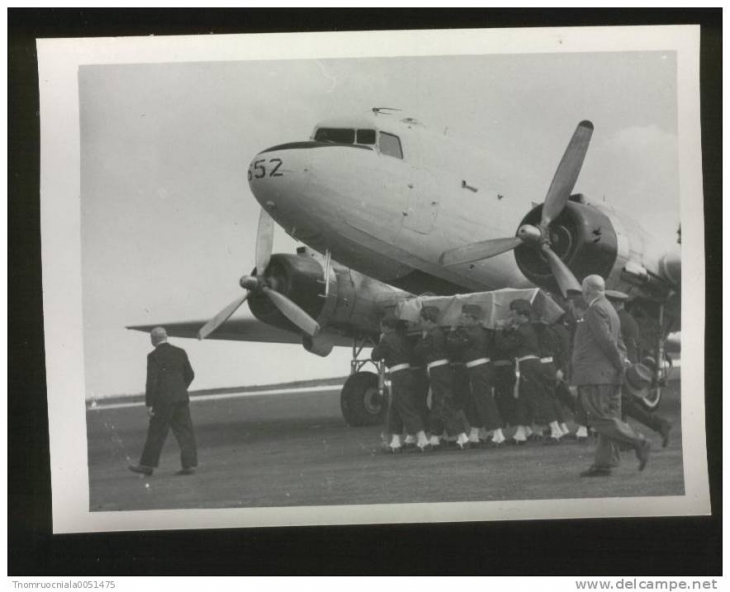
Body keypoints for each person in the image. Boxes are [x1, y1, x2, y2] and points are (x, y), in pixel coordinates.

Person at [572, 276, 651, 477]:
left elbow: (607, 341)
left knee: (600, 419)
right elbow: (618, 343)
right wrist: (622, 365)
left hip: (597, 376)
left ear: (587, 289)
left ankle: (638, 441)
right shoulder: (610, 309)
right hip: (609, 375)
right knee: (609, 418)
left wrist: (618, 364)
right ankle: (604, 463)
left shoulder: (594, 309)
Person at [605, 290, 672, 448]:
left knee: (622, 403)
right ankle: (627, 439)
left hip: (621, 367)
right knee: (622, 404)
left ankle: (657, 425)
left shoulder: (616, 321)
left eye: (609, 303)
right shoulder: (628, 319)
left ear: (615, 303)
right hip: (629, 366)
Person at [129, 327, 198, 476]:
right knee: (185, 432)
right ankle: (189, 465)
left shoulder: (153, 356)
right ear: (166, 336)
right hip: (181, 398)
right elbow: (190, 374)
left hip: (163, 401)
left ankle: (147, 466)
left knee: (156, 433)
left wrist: (149, 403)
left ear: (153, 339)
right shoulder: (180, 352)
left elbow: (152, 381)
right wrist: (180, 388)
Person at [495, 299, 564, 444]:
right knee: (524, 400)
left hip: (527, 367)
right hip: (530, 365)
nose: (511, 317)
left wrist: (499, 330)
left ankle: (556, 430)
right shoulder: (528, 328)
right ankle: (520, 434)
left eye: (513, 314)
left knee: (538, 398)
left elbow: (504, 346)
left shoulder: (521, 331)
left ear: (522, 315)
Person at [447, 304, 505, 446]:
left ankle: (498, 435)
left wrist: (452, 330)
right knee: (479, 401)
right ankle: (476, 433)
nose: (462, 320)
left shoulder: (471, 332)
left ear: (474, 319)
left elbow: (453, 344)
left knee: (485, 402)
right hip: (481, 369)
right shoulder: (482, 331)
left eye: (465, 317)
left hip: (478, 370)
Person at [371, 315, 430, 453]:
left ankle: (422, 440)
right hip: (407, 374)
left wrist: (380, 342)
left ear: (386, 327)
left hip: (398, 376)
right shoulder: (402, 338)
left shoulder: (386, 339)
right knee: (395, 408)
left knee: (406, 407)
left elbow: (375, 356)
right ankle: (395, 441)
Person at [414, 306, 470, 450]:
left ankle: (462, 436)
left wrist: (423, 337)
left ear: (428, 321)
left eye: (421, 321)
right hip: (439, 370)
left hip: (438, 371)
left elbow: (419, 351)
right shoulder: (438, 333)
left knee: (444, 404)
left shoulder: (432, 334)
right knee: (438, 403)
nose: (420, 324)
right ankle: (435, 437)